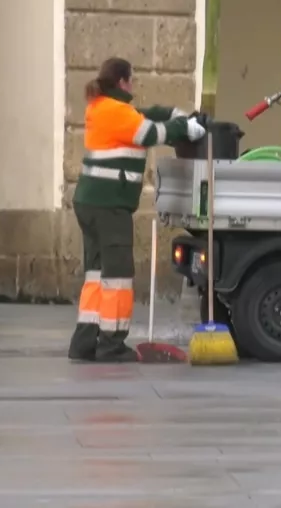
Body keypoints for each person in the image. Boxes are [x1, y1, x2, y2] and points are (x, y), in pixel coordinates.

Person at [67, 57, 206, 362]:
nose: (133, 86)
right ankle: (112, 344)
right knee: (118, 276)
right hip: (109, 205)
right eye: (132, 80)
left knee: (96, 275)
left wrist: (174, 114)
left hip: (92, 203)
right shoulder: (115, 111)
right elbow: (148, 134)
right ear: (122, 82)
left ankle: (85, 342)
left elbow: (144, 116)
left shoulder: (103, 107)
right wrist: (186, 127)